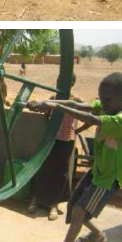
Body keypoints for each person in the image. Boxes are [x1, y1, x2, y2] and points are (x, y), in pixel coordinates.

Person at [29, 73, 122, 242]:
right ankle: (97, 235)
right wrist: (49, 102)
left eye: (107, 99)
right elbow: (78, 105)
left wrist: (56, 106)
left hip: (109, 178)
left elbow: (92, 119)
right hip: (98, 170)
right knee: (74, 205)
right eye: (101, 98)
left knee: (80, 211)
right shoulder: (108, 106)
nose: (102, 103)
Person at [28, 74, 80, 220]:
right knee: (43, 167)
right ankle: (35, 200)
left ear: (72, 83)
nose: (60, 83)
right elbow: (46, 115)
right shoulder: (53, 99)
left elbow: (87, 116)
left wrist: (75, 131)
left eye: (64, 81)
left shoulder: (76, 101)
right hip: (51, 140)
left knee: (60, 172)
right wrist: (52, 129)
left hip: (67, 140)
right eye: (58, 80)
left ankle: (54, 205)